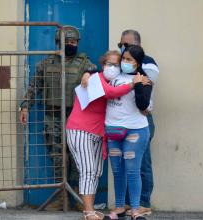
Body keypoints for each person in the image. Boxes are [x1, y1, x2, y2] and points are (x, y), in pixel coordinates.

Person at [19, 25, 97, 209]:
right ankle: (61, 197)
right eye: (67, 42)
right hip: (53, 115)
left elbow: (98, 86)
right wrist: (24, 107)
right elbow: (34, 87)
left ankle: (79, 196)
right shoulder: (45, 64)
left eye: (74, 42)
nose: (71, 45)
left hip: (78, 117)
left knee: (79, 156)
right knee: (57, 155)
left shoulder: (87, 65)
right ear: (58, 43)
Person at [67, 50, 140, 220]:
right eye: (109, 64)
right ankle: (88, 212)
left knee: (96, 172)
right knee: (88, 170)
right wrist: (132, 84)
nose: (112, 67)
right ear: (103, 65)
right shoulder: (95, 78)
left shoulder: (115, 80)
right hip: (80, 130)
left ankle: (90, 209)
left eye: (116, 64)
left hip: (99, 133)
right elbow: (109, 93)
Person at [104, 45, 152, 220]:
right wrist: (87, 72)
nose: (124, 62)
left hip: (135, 131)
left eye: (129, 60)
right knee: (117, 171)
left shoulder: (144, 80)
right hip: (113, 131)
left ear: (137, 62)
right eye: (123, 58)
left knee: (132, 171)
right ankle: (119, 207)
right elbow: (99, 70)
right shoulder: (114, 75)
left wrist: (138, 84)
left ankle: (135, 210)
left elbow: (143, 105)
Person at [118, 30, 159, 216]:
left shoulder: (148, 62)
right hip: (125, 119)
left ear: (138, 46)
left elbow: (147, 85)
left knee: (141, 163)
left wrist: (146, 104)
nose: (122, 50)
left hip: (141, 118)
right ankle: (129, 203)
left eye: (126, 45)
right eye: (121, 45)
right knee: (127, 163)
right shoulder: (122, 62)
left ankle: (144, 203)